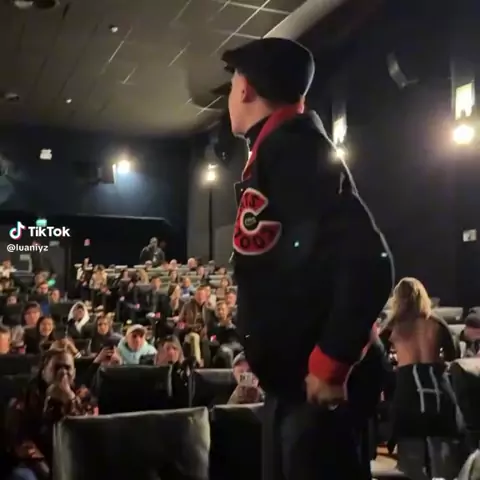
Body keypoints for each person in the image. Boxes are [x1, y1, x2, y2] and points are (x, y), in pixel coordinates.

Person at [221, 37, 393, 480]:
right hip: (293, 389)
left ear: (245, 89)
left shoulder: (297, 150)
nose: (230, 96)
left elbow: (371, 261)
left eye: (232, 84)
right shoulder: (281, 148)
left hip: (313, 393)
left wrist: (330, 363)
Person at [380, 278, 463, 480]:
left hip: (409, 392)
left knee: (412, 467)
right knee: (445, 468)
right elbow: (454, 355)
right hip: (439, 390)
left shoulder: (393, 325)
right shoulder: (437, 323)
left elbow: (378, 357)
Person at [6, 348, 97, 480]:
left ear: (74, 372)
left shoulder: (84, 396)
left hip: (75, 461)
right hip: (36, 465)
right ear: (44, 372)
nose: (63, 373)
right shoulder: (26, 396)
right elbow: (20, 440)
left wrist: (70, 400)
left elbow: (89, 435)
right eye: (57, 367)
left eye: (67, 368)